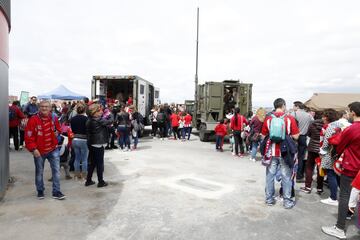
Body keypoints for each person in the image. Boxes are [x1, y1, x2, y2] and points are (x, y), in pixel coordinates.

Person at [322, 102, 360, 239]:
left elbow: (339, 146)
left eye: (349, 112)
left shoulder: (352, 129)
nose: (348, 114)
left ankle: (340, 227)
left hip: (351, 166)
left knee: (344, 196)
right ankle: (348, 216)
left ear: (353, 113)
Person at [261, 98, 299, 209]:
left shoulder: (268, 119)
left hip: (271, 152)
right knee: (286, 176)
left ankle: (269, 199)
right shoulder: (289, 118)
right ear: (283, 105)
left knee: (270, 175)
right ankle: (287, 201)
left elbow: (263, 135)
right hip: (285, 152)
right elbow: (296, 136)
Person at [25, 100, 66, 200]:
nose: (44, 108)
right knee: (39, 172)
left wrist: (57, 133)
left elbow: (59, 129)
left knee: (56, 171)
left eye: (46, 106)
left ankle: (56, 192)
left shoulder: (54, 117)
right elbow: (28, 136)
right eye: (42, 106)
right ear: (39, 108)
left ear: (50, 108)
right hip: (39, 151)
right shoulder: (33, 120)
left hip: (53, 149)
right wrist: (33, 149)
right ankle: (40, 190)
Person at [319, 109, 343, 206]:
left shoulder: (330, 127)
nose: (322, 118)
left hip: (329, 154)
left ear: (328, 117)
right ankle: (341, 196)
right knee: (336, 175)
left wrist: (321, 151)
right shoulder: (339, 125)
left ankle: (333, 198)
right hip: (337, 153)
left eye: (324, 116)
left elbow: (326, 144)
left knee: (331, 175)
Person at [85, 104, 112, 187]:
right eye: (99, 110)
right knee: (99, 163)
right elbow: (110, 121)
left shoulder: (89, 119)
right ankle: (101, 181)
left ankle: (88, 180)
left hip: (92, 143)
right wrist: (111, 114)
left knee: (92, 163)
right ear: (94, 112)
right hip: (98, 144)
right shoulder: (98, 120)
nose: (101, 112)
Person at [300, 111, 324, 194]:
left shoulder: (312, 124)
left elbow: (308, 134)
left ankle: (308, 187)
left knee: (309, 167)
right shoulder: (326, 125)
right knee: (320, 168)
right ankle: (320, 188)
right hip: (322, 149)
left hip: (312, 148)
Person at [292, 101, 314, 182]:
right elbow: (312, 123)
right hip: (303, 137)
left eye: (294, 106)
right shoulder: (308, 115)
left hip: (294, 137)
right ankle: (299, 175)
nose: (293, 108)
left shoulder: (293, 114)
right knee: (301, 157)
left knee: (292, 155)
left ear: (297, 106)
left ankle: (291, 172)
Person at [70, 103, 89, 180]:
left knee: (77, 158)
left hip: (75, 139)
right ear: (84, 110)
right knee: (84, 159)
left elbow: (73, 130)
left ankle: (77, 174)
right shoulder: (86, 119)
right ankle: (84, 175)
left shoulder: (73, 119)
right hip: (84, 140)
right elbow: (88, 130)